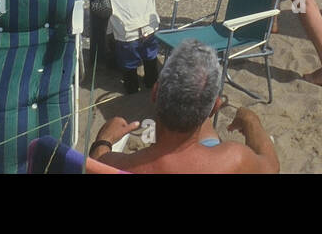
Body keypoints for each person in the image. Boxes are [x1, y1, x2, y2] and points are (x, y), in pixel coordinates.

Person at [89, 40, 280, 173]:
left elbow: (95, 164)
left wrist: (103, 140)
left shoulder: (118, 165)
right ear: (215, 109)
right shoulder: (235, 160)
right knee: (206, 132)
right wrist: (250, 120)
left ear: (155, 93)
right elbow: (271, 166)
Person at [104, 0, 161, 95]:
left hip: (127, 36)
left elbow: (100, 10)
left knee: (128, 63)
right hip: (149, 30)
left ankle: (132, 87)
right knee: (150, 56)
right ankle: (151, 81)